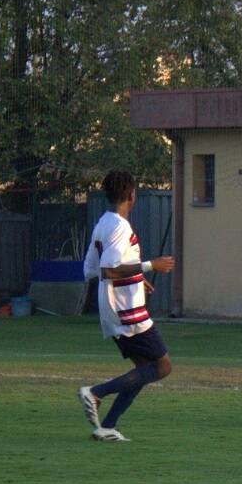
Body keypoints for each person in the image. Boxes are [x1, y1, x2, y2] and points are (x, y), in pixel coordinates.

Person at [76, 171, 175, 442]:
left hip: (112, 308)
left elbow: (90, 270)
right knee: (163, 367)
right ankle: (96, 392)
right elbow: (108, 270)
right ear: (132, 195)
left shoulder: (102, 224)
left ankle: (107, 426)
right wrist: (149, 266)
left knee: (143, 370)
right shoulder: (120, 226)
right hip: (126, 310)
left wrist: (136, 278)